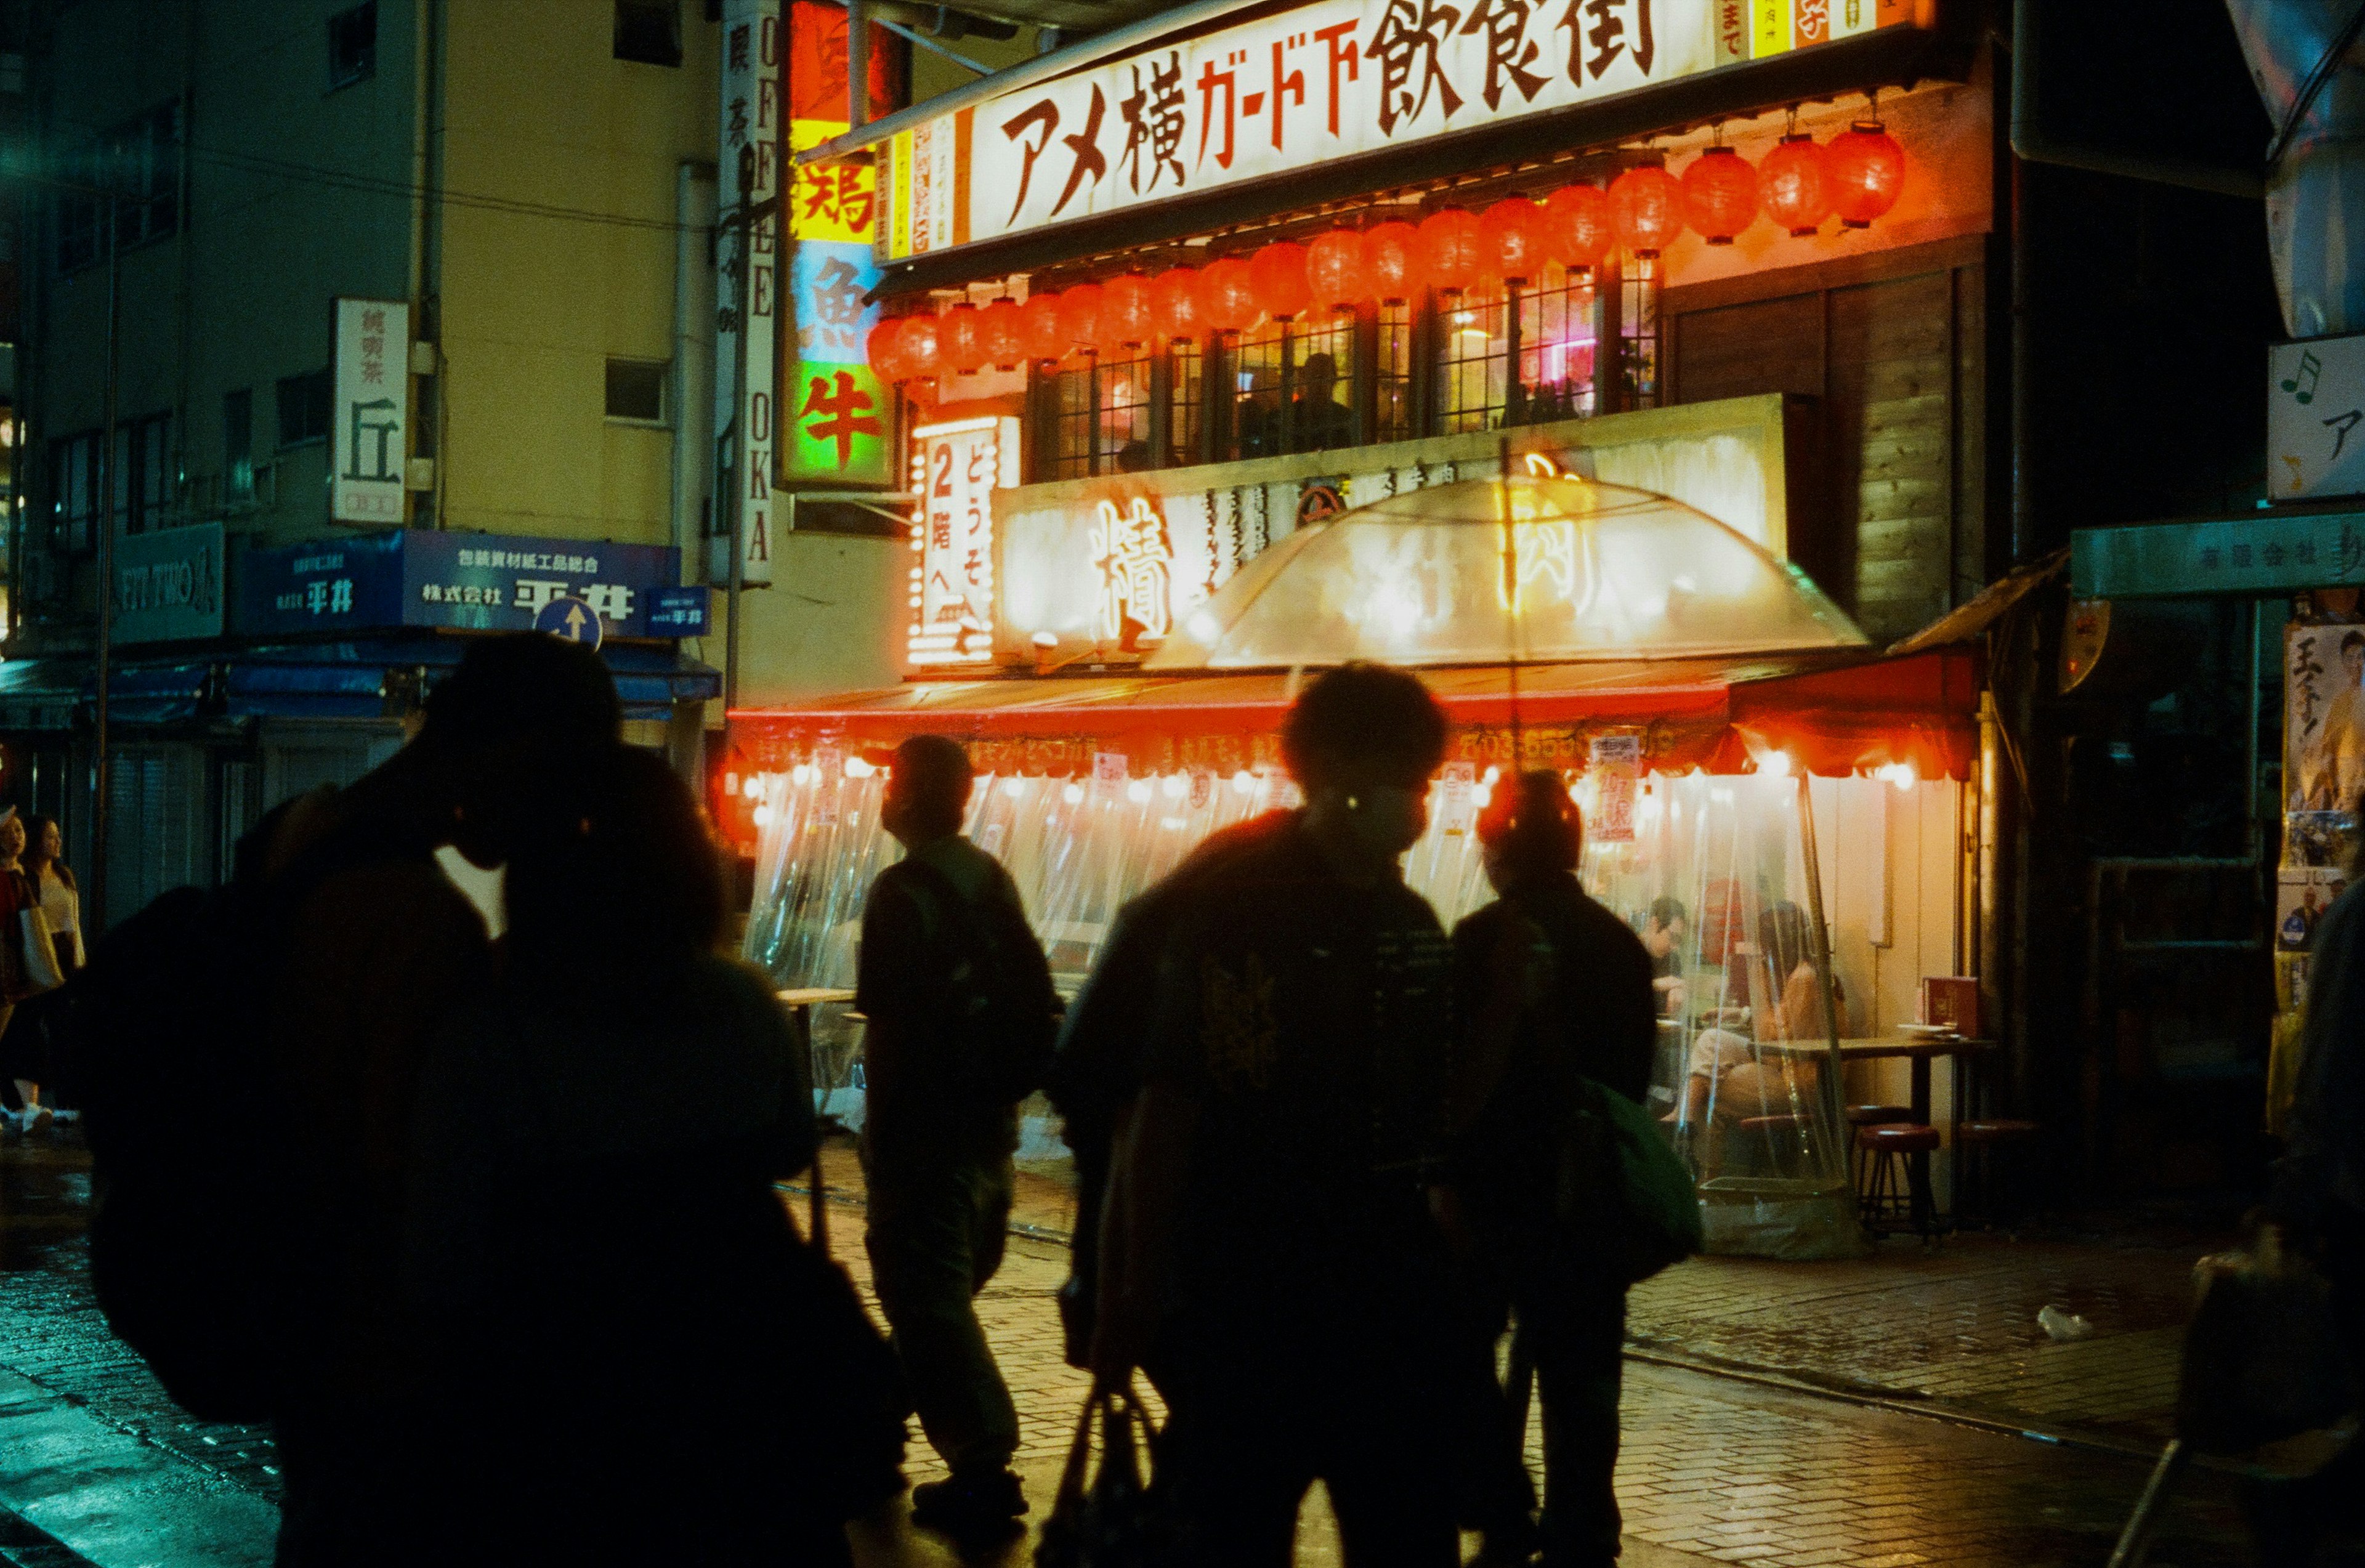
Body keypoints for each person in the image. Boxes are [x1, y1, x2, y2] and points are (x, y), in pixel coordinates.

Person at [405, 745, 893, 1567]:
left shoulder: (489, 1037)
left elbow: (440, 1255)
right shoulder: (741, 1003)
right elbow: (786, 1146)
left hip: (564, 1399)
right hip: (743, 1394)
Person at [259, 632, 621, 1568]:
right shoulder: (419, 921)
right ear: (514, 750)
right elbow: (409, 1191)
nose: (564, 818)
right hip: (384, 1364)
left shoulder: (304, 830)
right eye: (562, 781)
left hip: (301, 1318)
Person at [1093, 663, 1466, 1568]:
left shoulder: (1410, 917)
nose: (1415, 801)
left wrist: (1498, 1012)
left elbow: (1437, 1109)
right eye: (1403, 774)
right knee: (1241, 1526)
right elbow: (1170, 1104)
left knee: (1403, 1534)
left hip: (1384, 1297)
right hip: (1252, 1295)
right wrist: (1136, 1285)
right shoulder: (1239, 907)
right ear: (1334, 767)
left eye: (1422, 778)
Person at [1453, 772, 1657, 1568]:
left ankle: (1501, 1504)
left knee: (1470, 1353)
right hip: (1589, 1192)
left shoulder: (1477, 940)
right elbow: (1634, 1083)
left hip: (1490, 1192)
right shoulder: (1618, 942)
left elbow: (1446, 1080)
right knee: (1583, 1367)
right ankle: (1584, 1523)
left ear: (1499, 846)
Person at [857, 733, 1049, 1540]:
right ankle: (868, 1421)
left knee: (926, 1296)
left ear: (909, 795)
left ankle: (984, 1460)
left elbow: (893, 1027)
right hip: (989, 1128)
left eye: (893, 780)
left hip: (925, 1132)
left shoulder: (902, 892)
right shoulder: (987, 877)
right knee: (940, 1294)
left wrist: (883, 1131)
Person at [1048, 802, 1298, 1372]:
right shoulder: (1215, 946)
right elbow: (1139, 1132)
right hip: (1189, 1248)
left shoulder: (1163, 920)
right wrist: (1128, 1293)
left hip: (1166, 1243)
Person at [2252, 799, 2365, 1560]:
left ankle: (2303, 1512)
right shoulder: (2358, 920)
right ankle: (2299, 1510)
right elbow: (2327, 1072)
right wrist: (2295, 1196)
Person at [0, 810, 50, 1138]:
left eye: (20, 830)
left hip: (11, 969)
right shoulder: (10, 877)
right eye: (10, 832)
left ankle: (19, 1106)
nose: (18, 836)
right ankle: (18, 1106)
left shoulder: (20, 876)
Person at [2306, 631, 2365, 809]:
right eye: (2351, 658)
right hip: (2347, 779)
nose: (2357, 664)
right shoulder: (2339, 703)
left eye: (2362, 656)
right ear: (2344, 663)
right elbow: (2329, 748)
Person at [1292, 352, 1354, 451]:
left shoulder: (1289, 416)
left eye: (1323, 376)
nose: (1318, 382)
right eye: (1314, 375)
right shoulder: (1347, 418)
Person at [1642, 895, 1687, 1018]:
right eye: (1672, 937)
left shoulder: (1673, 959)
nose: (1675, 946)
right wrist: (1657, 984)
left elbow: (1677, 987)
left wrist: (1678, 990)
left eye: (1678, 940)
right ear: (1654, 924)